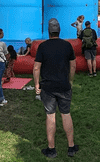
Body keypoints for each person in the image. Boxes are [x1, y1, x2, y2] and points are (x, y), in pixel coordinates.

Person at [33, 18, 78, 158]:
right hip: (64, 85)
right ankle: (71, 147)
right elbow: (73, 65)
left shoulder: (42, 46)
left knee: (50, 115)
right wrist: (70, 81)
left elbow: (36, 68)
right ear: (59, 31)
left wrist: (36, 84)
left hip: (48, 88)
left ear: (49, 32)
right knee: (66, 114)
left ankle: (51, 149)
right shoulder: (67, 45)